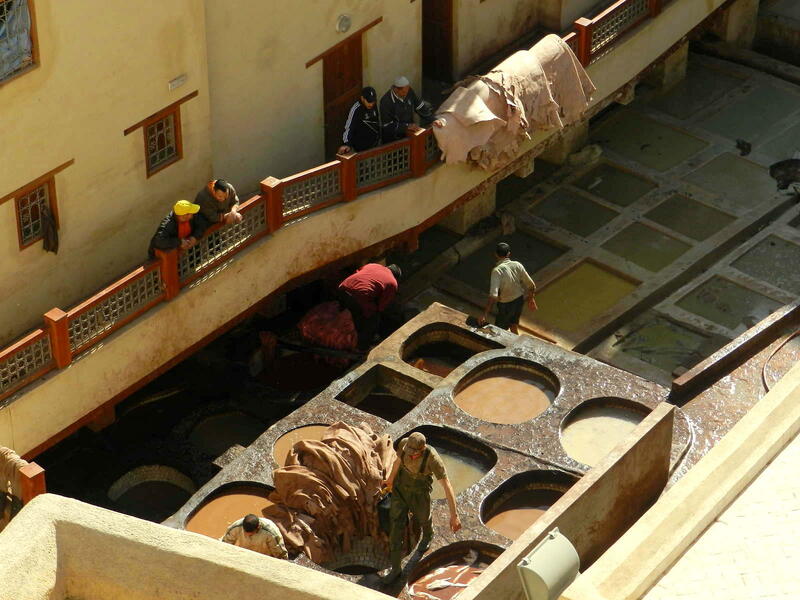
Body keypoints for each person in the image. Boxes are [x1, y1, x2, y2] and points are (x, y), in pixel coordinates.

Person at [381, 432, 461, 584]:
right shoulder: (404, 444)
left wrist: (454, 515)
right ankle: (396, 569)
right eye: (409, 451)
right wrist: (390, 480)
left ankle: (428, 533)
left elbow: (447, 485)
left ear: (423, 448)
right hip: (400, 490)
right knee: (395, 528)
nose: (411, 455)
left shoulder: (433, 459)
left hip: (420, 493)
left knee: (423, 518)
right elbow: (398, 462)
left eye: (415, 453)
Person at [337, 263, 401, 350]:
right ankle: (362, 348)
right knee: (373, 320)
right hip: (359, 296)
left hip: (343, 288)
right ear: (396, 277)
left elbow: (359, 273)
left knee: (352, 314)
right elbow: (382, 306)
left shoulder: (372, 265)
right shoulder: (392, 282)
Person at [479, 242, 537, 334]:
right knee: (513, 325)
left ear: (495, 254)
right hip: (519, 301)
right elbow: (532, 285)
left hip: (506, 305)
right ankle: (517, 344)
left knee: (498, 331)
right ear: (509, 254)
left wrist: (484, 315)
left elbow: (493, 296)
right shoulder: (517, 265)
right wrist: (531, 299)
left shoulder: (497, 271)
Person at [380, 76, 432, 142]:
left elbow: (419, 106)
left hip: (410, 134)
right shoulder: (386, 101)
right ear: (396, 89)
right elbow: (387, 125)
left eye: (408, 91)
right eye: (404, 92)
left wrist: (432, 119)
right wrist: (406, 126)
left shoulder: (409, 91)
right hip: (394, 139)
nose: (406, 94)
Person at [220, 513, 289, 559]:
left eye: (251, 533)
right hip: (245, 555)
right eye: (245, 533)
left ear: (258, 527)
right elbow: (225, 544)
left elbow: (280, 554)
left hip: (264, 557)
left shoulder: (271, 533)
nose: (248, 535)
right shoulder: (236, 527)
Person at [338, 86, 381, 155]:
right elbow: (349, 128)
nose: (371, 104)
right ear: (362, 98)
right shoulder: (356, 109)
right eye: (369, 101)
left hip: (374, 145)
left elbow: (376, 121)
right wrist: (346, 143)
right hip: (360, 148)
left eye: (373, 101)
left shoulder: (374, 106)